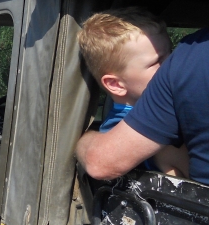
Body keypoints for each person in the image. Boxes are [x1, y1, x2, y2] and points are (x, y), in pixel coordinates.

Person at [76, 10, 206, 183]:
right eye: (157, 62)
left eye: (172, 54)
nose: (170, 66)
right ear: (116, 84)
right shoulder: (151, 137)